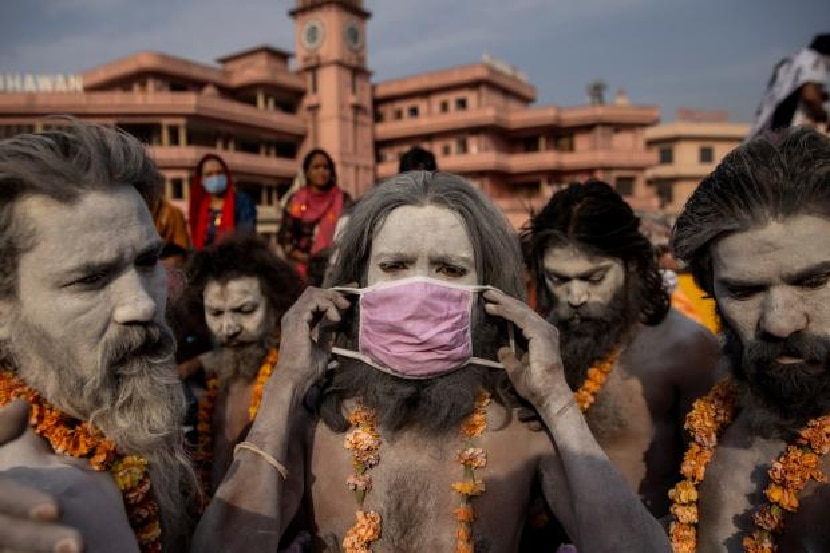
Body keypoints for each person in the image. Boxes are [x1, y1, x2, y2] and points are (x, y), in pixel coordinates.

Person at [193, 171, 669, 552]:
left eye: (450, 269)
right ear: (355, 284)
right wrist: (285, 386)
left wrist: (557, 402)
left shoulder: (523, 431)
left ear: (490, 294)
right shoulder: (310, 423)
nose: (419, 291)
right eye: (394, 266)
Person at [0, 120, 198, 552]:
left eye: (148, 261)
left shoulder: (117, 420)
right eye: (90, 279)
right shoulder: (45, 497)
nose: (142, 304)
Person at [669, 127, 830, 551]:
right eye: (744, 291)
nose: (779, 323)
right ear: (711, 292)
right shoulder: (718, 422)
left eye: (814, 281)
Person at [522, 182, 720, 522]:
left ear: (632, 265)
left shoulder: (686, 349)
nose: (575, 297)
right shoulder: (535, 343)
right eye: (558, 279)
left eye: (594, 278)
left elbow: (711, 484)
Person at [184, 233, 303, 495]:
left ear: (275, 306)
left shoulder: (295, 383)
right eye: (216, 313)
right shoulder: (213, 386)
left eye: (245, 310)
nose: (229, 328)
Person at [278, 149, 352, 279]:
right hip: (301, 272)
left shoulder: (343, 199)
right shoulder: (296, 200)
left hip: (336, 269)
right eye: (316, 167)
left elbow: (351, 234)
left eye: (326, 168)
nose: (321, 172)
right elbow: (285, 240)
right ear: (307, 172)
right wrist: (311, 260)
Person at [748, 33, 830, 140]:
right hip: (784, 134)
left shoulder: (792, 61)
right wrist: (824, 115)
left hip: (765, 132)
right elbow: (810, 96)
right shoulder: (816, 59)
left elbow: (792, 92)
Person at [189, 153, 257, 249]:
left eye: (219, 172)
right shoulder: (200, 206)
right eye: (209, 174)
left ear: (226, 175)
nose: (215, 177)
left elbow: (246, 236)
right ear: (202, 181)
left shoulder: (242, 202)